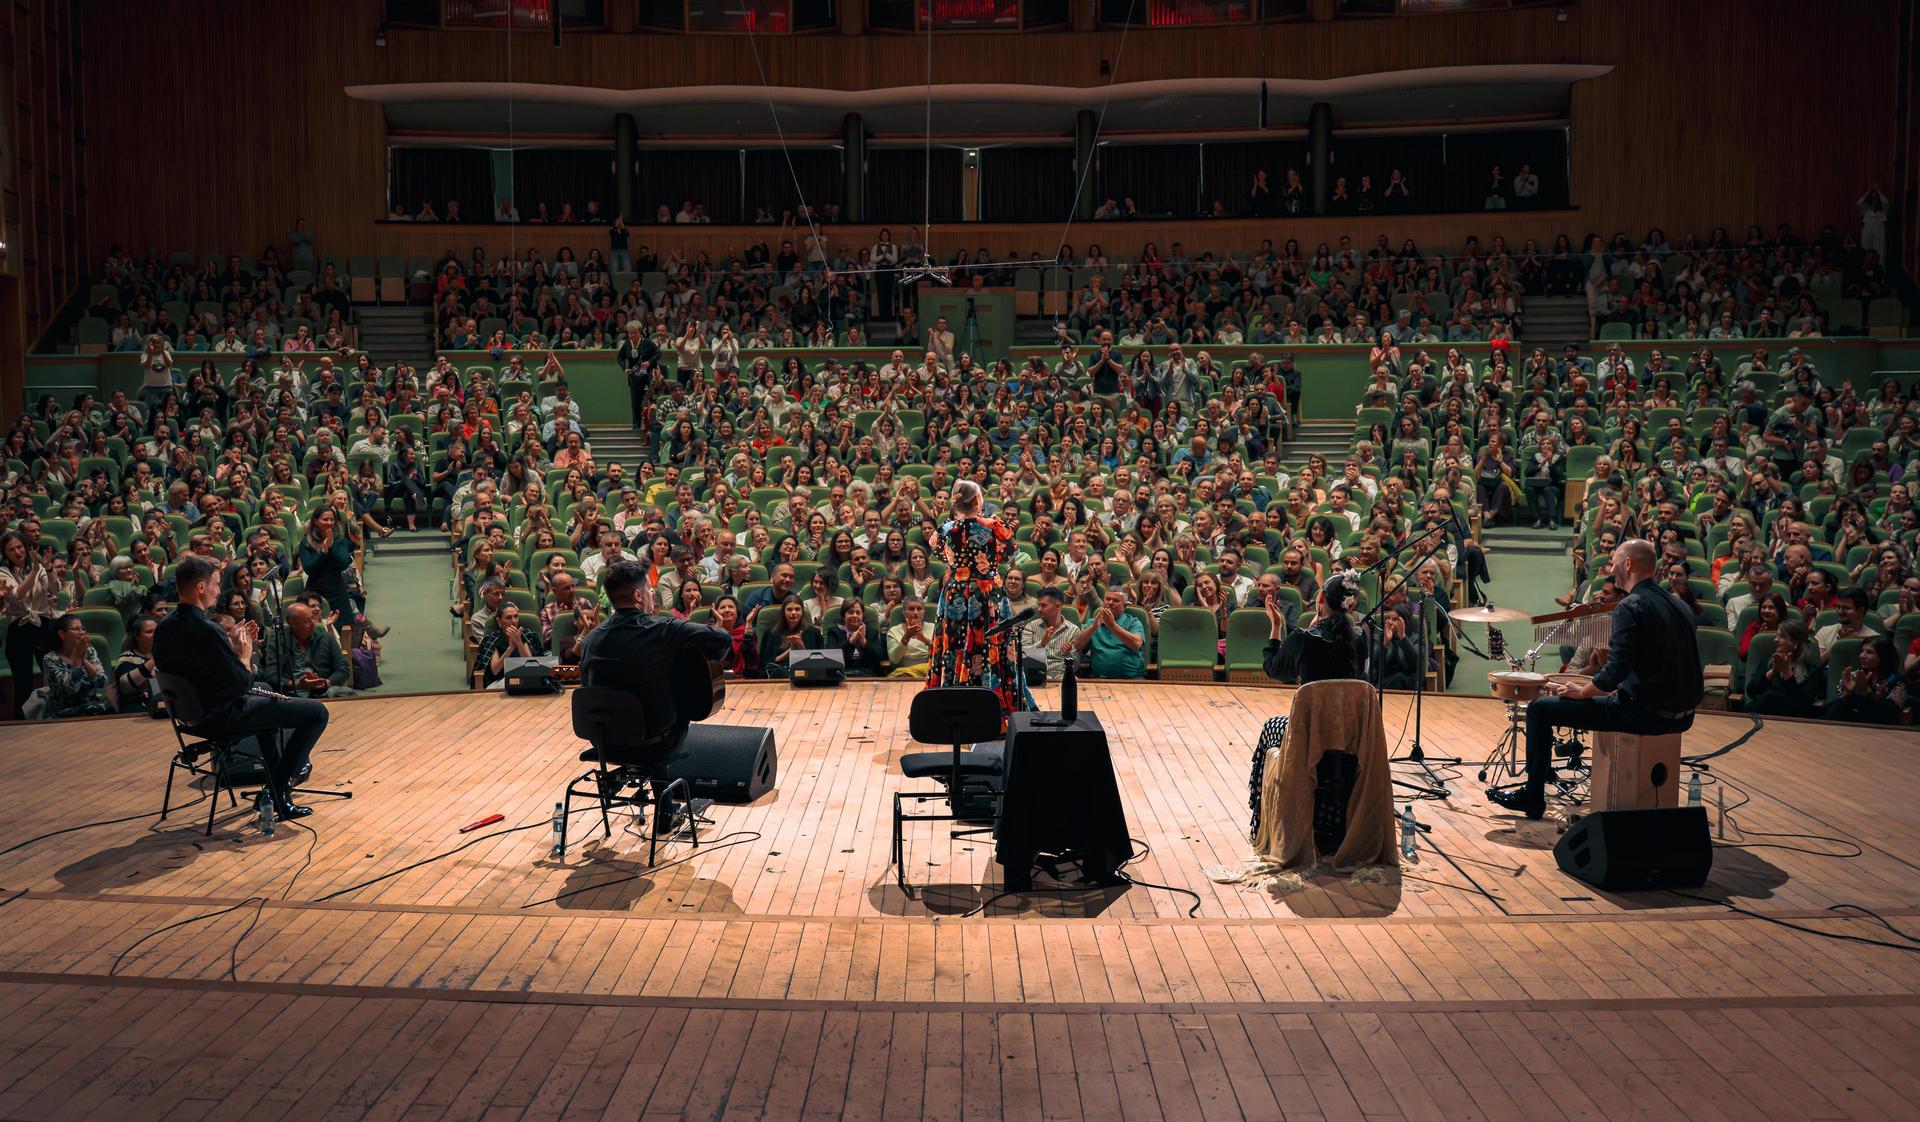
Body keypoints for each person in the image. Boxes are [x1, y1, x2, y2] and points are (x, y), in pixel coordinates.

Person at [1490, 539, 1702, 819]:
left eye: (1614, 562)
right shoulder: (1679, 605)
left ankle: (1533, 797)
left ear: (1628, 564)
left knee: (1540, 710)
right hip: (1684, 715)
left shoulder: (1631, 606)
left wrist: (1582, 691)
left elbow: (1613, 674)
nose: (1611, 568)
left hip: (1645, 714)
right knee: (1598, 698)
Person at [153, 554, 329, 821]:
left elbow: (202, 672)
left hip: (190, 716)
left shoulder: (165, 627)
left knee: (265, 698)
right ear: (201, 587)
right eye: (215, 583)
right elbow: (240, 683)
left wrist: (229, 649)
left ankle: (276, 794)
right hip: (221, 716)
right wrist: (244, 654)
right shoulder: (207, 631)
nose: (219, 590)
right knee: (317, 713)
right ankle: (282, 783)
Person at [578, 559, 732, 833]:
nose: (652, 595)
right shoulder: (663, 629)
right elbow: (722, 640)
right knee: (675, 711)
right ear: (638, 596)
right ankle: (665, 812)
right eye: (649, 590)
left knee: (645, 709)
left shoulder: (592, 639)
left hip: (605, 743)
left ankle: (646, 795)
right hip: (655, 743)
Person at [926, 480, 1035, 723]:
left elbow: (937, 550)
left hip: (955, 592)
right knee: (990, 645)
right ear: (977, 500)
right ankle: (995, 706)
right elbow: (1008, 552)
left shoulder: (944, 529)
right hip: (987, 594)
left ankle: (954, 702)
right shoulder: (995, 526)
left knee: (956, 645)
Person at [1262, 572, 1366, 684]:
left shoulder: (1302, 638)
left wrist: (1276, 625)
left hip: (1313, 701)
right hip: (1348, 702)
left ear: (1321, 596)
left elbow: (1274, 670)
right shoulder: (1359, 637)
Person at [1, 529, 58, 719]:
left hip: (43, 625)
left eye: (19, 547)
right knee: (22, 681)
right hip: (19, 628)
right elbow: (17, 595)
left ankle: (56, 714)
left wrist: (47, 568)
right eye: (11, 550)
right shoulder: (3, 572)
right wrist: (34, 572)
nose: (18, 552)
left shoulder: (39, 566)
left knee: (52, 674)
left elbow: (55, 588)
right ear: (5, 554)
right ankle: (22, 722)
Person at [259, 600, 354, 697]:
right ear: (292, 624)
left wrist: (325, 682)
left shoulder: (325, 637)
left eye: (312, 618)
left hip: (322, 690)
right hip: (291, 692)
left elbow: (343, 669)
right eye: (306, 622)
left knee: (347, 692)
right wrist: (298, 685)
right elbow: (271, 676)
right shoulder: (278, 639)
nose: (312, 623)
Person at [39, 613, 111, 718]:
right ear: (62, 634)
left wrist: (84, 660)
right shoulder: (51, 659)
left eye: (82, 628)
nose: (82, 632)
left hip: (91, 706)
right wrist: (77, 660)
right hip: (62, 711)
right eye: (76, 629)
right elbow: (70, 691)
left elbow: (102, 681)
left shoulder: (89, 651)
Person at [1073, 586, 1147, 680]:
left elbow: (1136, 644)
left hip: (1132, 676)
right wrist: (1093, 627)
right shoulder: (1093, 623)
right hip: (1099, 677)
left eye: (1115, 601)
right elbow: (1077, 646)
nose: (1110, 603)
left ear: (1124, 606)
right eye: (1108, 599)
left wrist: (1113, 626)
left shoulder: (1133, 622)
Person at [1019, 586, 1081, 683]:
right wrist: (1042, 644)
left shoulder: (1073, 630)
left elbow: (1075, 667)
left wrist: (1067, 655)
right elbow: (1023, 656)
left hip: (1062, 678)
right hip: (1035, 678)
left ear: (1057, 606)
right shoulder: (1031, 626)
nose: (1039, 609)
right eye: (1039, 605)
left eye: (1043, 606)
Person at [112, 616, 160, 714]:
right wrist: (155, 659)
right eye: (149, 632)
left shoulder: (167, 656)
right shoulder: (126, 658)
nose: (155, 635)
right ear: (137, 636)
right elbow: (127, 684)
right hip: (135, 711)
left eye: (157, 631)